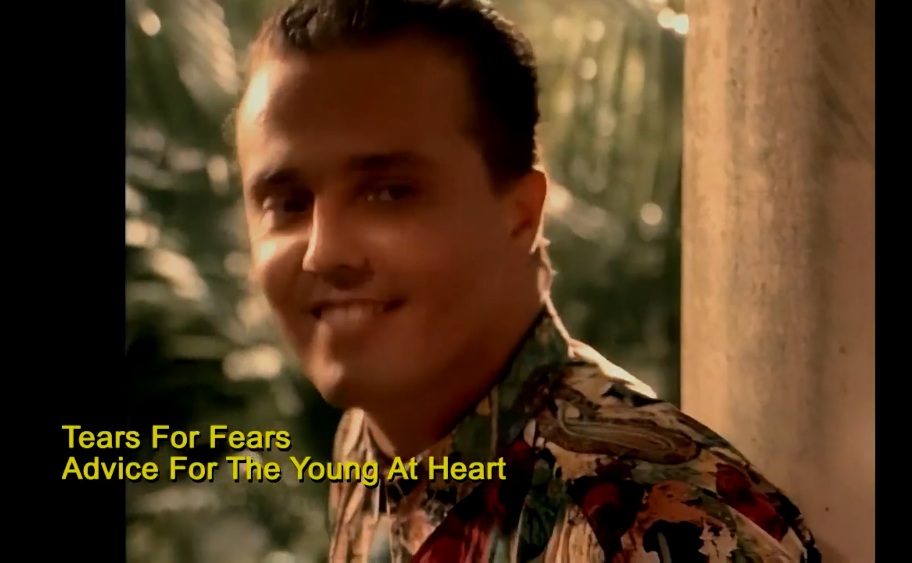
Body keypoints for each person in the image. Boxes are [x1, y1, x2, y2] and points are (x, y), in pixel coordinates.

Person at [235, 0, 821, 561]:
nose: (324, 253)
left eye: (389, 193)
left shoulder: (647, 520)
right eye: (288, 203)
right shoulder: (371, 447)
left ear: (520, 214)